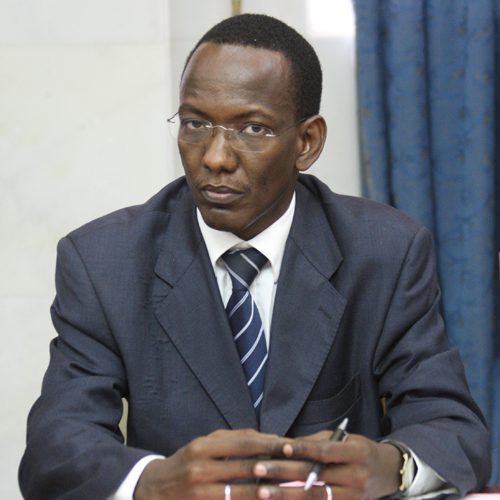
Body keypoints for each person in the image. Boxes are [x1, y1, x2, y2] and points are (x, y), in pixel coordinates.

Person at [19, 13, 490, 500]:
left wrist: (392, 467)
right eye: (195, 123)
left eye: (252, 128)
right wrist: (153, 481)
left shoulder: (385, 252)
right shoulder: (104, 262)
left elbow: (453, 428)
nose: (215, 157)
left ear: (306, 142)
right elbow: (57, 449)